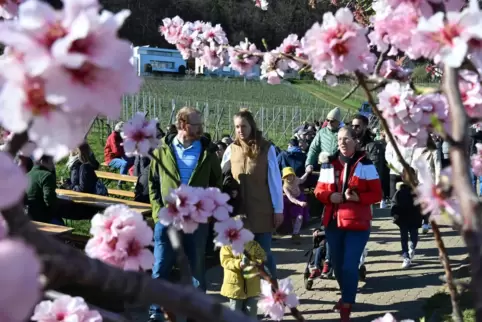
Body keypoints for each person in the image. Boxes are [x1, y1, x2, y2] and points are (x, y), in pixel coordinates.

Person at [148, 107, 222, 322]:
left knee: (197, 269)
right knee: (161, 266)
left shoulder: (207, 151)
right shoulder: (162, 149)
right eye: (196, 124)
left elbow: (216, 184)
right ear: (182, 124)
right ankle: (156, 313)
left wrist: (208, 209)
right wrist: (156, 212)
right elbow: (152, 182)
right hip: (167, 219)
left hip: (197, 221)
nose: (201, 128)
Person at [314, 126, 382, 321]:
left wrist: (357, 197)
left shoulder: (366, 164)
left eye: (346, 139)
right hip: (333, 223)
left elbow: (378, 194)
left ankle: (347, 303)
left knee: (349, 265)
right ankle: (346, 296)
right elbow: (319, 191)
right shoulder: (329, 164)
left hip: (357, 224)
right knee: (336, 265)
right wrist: (330, 196)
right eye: (339, 140)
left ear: (356, 141)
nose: (342, 143)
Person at [221, 108, 283, 280]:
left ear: (252, 126)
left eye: (244, 126)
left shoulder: (266, 149)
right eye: (237, 127)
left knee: (264, 253)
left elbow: (275, 181)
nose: (240, 130)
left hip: (262, 209)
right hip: (239, 212)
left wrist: (278, 208)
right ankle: (250, 295)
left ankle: (274, 291)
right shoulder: (231, 149)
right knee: (243, 255)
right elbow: (222, 176)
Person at [306, 107, 341, 278]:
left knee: (337, 198)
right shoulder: (321, 133)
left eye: (332, 120)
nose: (329, 123)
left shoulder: (341, 132)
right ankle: (324, 220)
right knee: (324, 196)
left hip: (340, 169)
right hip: (325, 168)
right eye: (328, 120)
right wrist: (309, 163)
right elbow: (313, 149)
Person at [220, 239, 266, 318]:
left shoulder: (253, 244)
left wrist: (254, 261)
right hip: (235, 287)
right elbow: (225, 261)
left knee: (251, 312)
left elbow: (262, 256)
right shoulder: (226, 246)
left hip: (252, 286)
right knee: (235, 311)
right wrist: (239, 263)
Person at [391, 167, 422, 269]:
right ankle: (406, 257)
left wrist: (425, 217)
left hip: (415, 218)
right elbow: (394, 203)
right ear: (402, 178)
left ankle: (412, 247)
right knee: (403, 238)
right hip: (403, 219)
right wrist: (394, 213)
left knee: (414, 237)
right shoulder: (400, 191)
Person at [411, 136, 441, 234]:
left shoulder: (434, 151)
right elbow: (413, 167)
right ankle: (424, 220)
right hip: (419, 181)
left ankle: (425, 222)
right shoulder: (415, 151)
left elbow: (438, 168)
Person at [25, 156, 62, 225]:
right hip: (42, 217)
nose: (53, 164)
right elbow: (49, 200)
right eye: (51, 161)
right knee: (61, 224)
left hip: (27, 216)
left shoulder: (26, 175)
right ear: (42, 161)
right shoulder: (47, 175)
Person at [282, 167, 311, 243]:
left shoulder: (296, 180)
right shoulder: (285, 187)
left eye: (290, 175)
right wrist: (299, 203)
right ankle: (294, 232)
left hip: (300, 198)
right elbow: (290, 198)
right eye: (286, 176)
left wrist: (307, 172)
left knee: (300, 217)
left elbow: (302, 180)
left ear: (293, 175)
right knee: (293, 218)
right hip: (291, 202)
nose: (289, 177)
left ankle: (295, 233)